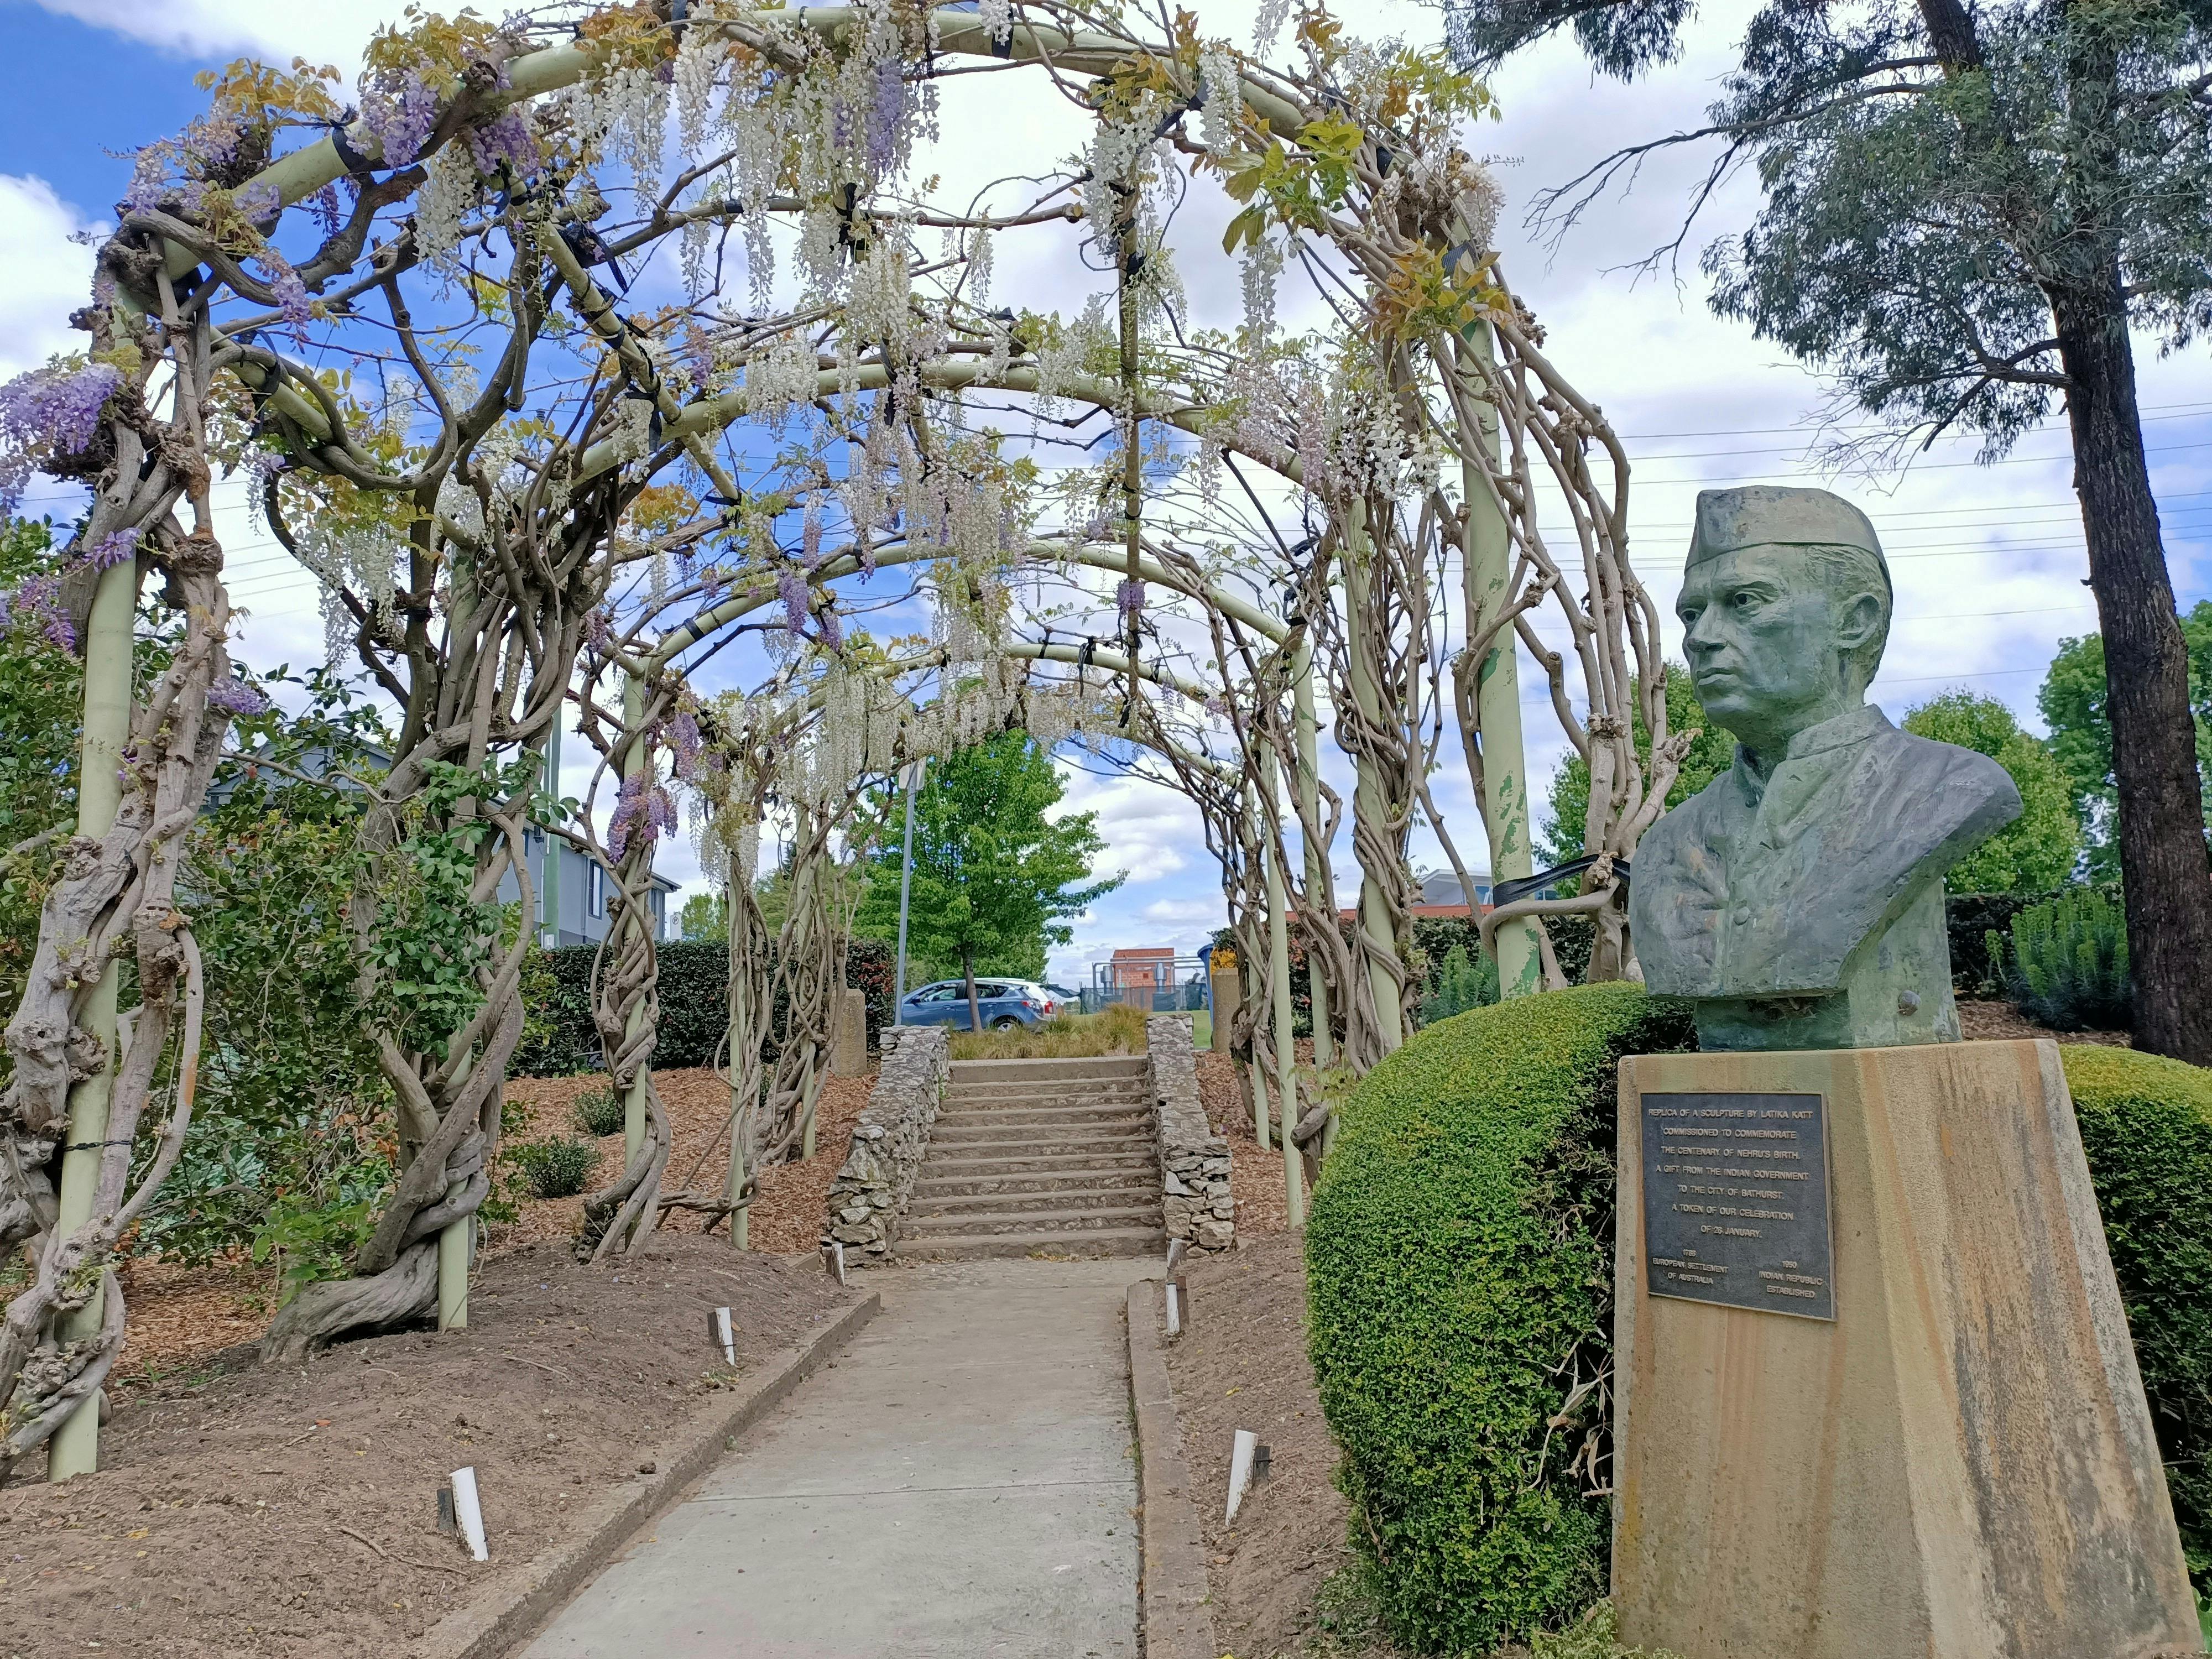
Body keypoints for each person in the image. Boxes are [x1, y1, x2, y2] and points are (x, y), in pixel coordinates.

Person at [1627, 486, 2020, 1050]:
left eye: (1745, 601)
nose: (1701, 637)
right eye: (1692, 613)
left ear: (1854, 621)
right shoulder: (1666, 845)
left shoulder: (1948, 790)